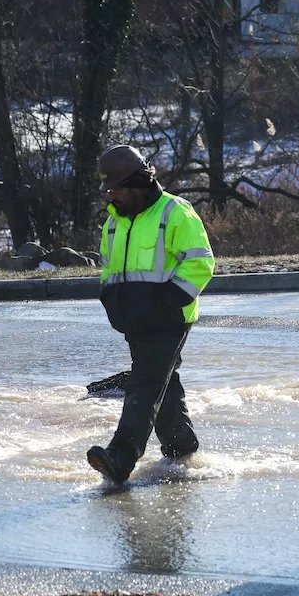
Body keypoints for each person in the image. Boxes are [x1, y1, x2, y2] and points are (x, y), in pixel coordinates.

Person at [87, 145, 215, 485]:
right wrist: (111, 301)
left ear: (135, 183)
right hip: (133, 319)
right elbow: (107, 267)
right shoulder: (114, 222)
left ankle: (121, 456)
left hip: (170, 318)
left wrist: (169, 301)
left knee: (144, 383)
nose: (109, 195)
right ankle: (181, 447)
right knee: (162, 382)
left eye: (114, 188)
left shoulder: (175, 212)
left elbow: (201, 262)